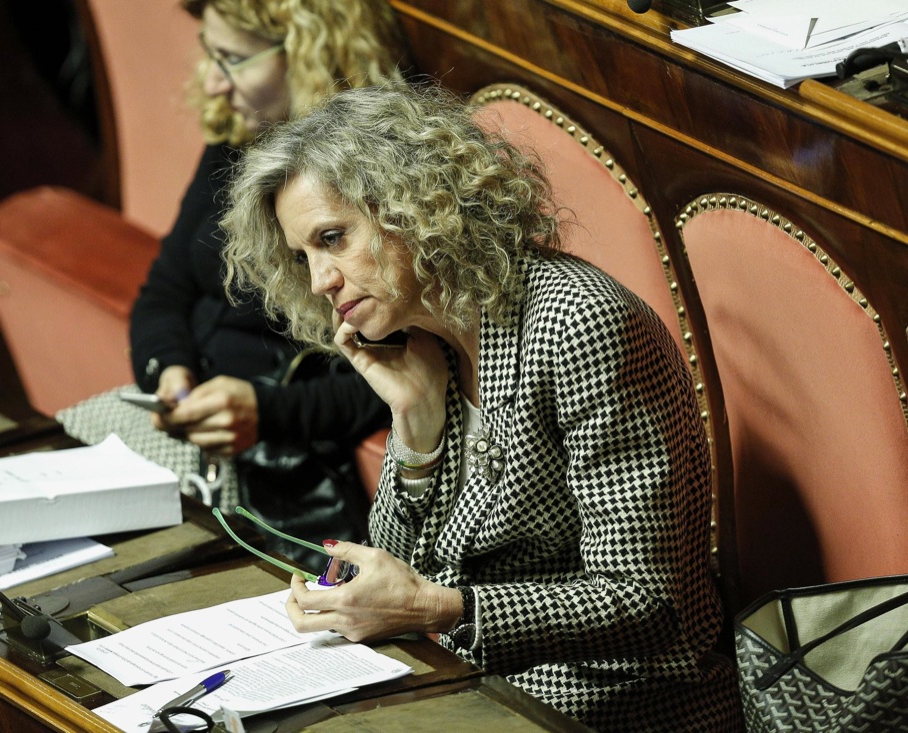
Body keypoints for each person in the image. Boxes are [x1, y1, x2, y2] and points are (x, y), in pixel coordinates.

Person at [221, 84, 742, 731]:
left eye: (334, 238)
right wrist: (415, 426)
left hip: (621, 702)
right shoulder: (426, 344)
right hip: (476, 685)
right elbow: (402, 571)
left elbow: (650, 605)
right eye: (305, 256)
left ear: (412, 205)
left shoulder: (579, 324)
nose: (321, 279)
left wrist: (438, 608)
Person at [124, 0, 409, 567]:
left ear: (308, 50)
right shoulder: (240, 135)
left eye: (232, 59)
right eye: (210, 53)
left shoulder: (378, 165)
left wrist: (266, 412)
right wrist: (168, 373)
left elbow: (404, 376)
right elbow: (164, 291)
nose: (212, 81)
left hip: (282, 466)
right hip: (193, 438)